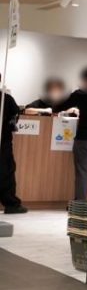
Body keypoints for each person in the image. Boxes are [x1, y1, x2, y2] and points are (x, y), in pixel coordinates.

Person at [54, 66, 87, 201]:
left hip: (84, 139)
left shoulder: (80, 94)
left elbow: (57, 107)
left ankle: (80, 204)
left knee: (83, 173)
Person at [0, 73, 27, 214]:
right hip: (3, 141)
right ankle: (11, 204)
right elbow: (14, 118)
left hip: (3, 140)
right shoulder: (6, 99)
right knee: (6, 172)